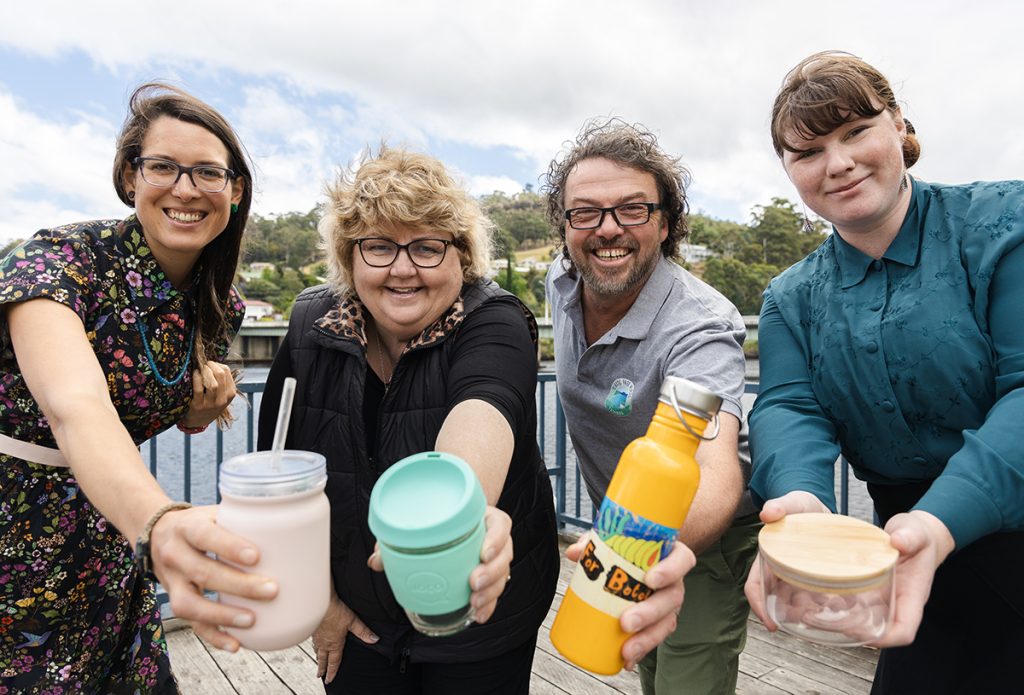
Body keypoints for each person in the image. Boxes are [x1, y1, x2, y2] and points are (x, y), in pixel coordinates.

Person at [746, 50, 1024, 695]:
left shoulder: (1003, 223)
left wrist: (941, 520)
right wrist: (800, 507)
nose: (837, 163)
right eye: (807, 151)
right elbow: (789, 407)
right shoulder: (791, 296)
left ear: (899, 125)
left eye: (855, 131)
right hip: (899, 550)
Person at [0, 83, 277, 693]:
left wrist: (202, 412)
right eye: (163, 167)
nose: (185, 188)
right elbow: (75, 406)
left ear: (234, 191)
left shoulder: (217, 306)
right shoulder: (59, 260)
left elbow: (165, 399)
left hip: (109, 539)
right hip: (18, 541)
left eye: (208, 172)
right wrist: (160, 523)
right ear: (130, 178)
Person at [256, 146, 559, 694]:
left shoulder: (494, 319)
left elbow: (484, 409)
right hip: (356, 618)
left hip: (480, 620)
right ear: (349, 258)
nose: (402, 268)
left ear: (460, 258)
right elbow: (280, 481)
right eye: (378, 247)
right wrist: (319, 600)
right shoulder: (308, 325)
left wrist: (460, 517)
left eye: (425, 247)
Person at [543, 119, 760, 694]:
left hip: (699, 541)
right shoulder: (560, 285)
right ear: (565, 227)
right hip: (619, 532)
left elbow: (713, 466)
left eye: (633, 209)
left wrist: (630, 548)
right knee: (649, 668)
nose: (607, 229)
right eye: (585, 212)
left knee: (686, 680)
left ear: (666, 223)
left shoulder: (699, 328)